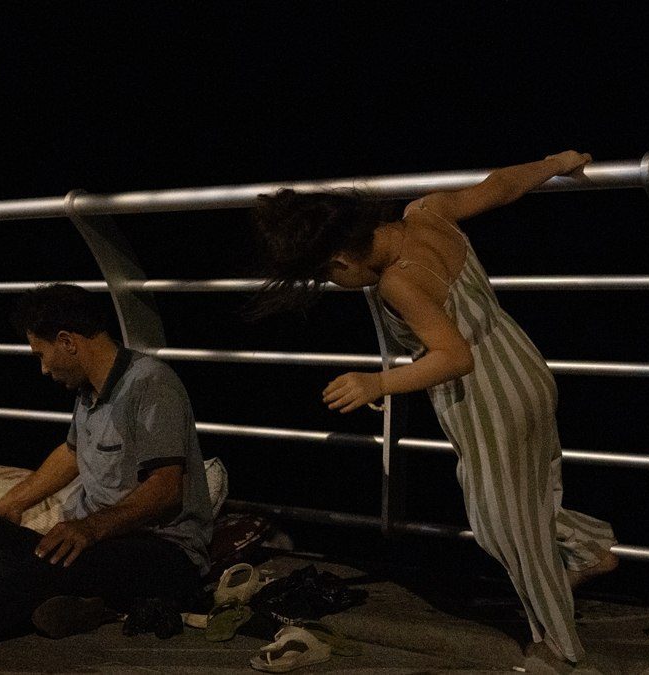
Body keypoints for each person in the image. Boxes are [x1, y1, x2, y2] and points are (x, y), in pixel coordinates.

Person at [250, 151, 618, 665]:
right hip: (522, 363)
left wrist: (376, 382)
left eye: (328, 276)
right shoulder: (427, 213)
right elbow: (501, 185)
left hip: (488, 398)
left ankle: (560, 648)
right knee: (526, 498)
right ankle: (588, 550)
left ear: (341, 260)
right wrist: (556, 161)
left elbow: (454, 357)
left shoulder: (398, 281)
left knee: (507, 528)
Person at [0, 283, 214, 654]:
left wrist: (89, 528)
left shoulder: (151, 384)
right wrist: (11, 505)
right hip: (98, 545)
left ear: (67, 341)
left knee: (58, 565)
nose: (43, 368)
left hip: (162, 553)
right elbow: (70, 454)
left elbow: (166, 489)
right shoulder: (88, 391)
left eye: (41, 354)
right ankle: (75, 605)